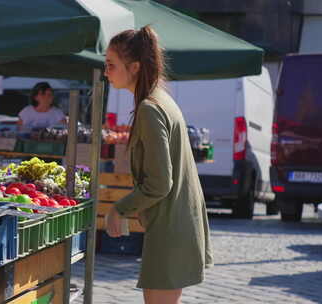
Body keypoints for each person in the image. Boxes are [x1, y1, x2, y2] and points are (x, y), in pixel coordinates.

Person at [104, 26, 213, 304]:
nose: (106, 72)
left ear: (135, 67)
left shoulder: (150, 108)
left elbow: (160, 183)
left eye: (111, 65)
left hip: (171, 225)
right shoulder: (158, 100)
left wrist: (119, 208)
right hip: (173, 222)